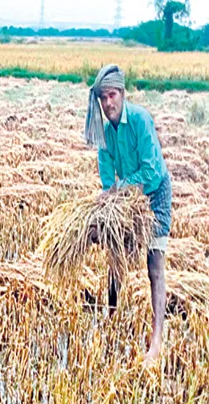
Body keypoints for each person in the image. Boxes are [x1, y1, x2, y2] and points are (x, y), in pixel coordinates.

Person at [85, 64, 172, 364]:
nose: (108, 103)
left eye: (112, 95)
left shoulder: (140, 121)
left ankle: (156, 341)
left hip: (154, 192)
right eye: (103, 98)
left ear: (122, 94)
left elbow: (150, 170)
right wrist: (109, 200)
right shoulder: (105, 136)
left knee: (154, 266)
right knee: (114, 254)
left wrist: (120, 188)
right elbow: (108, 182)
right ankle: (110, 315)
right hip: (127, 199)